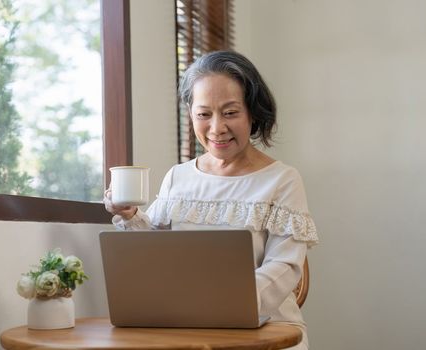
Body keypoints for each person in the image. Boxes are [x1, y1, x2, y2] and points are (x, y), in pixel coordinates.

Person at [104, 50, 318, 349]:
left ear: (253, 112)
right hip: (188, 330)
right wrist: (128, 215)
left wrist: (221, 305)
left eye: (230, 112)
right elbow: (154, 255)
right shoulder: (178, 177)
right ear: (191, 115)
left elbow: (284, 267)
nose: (217, 128)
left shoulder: (282, 180)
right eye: (204, 114)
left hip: (267, 331)